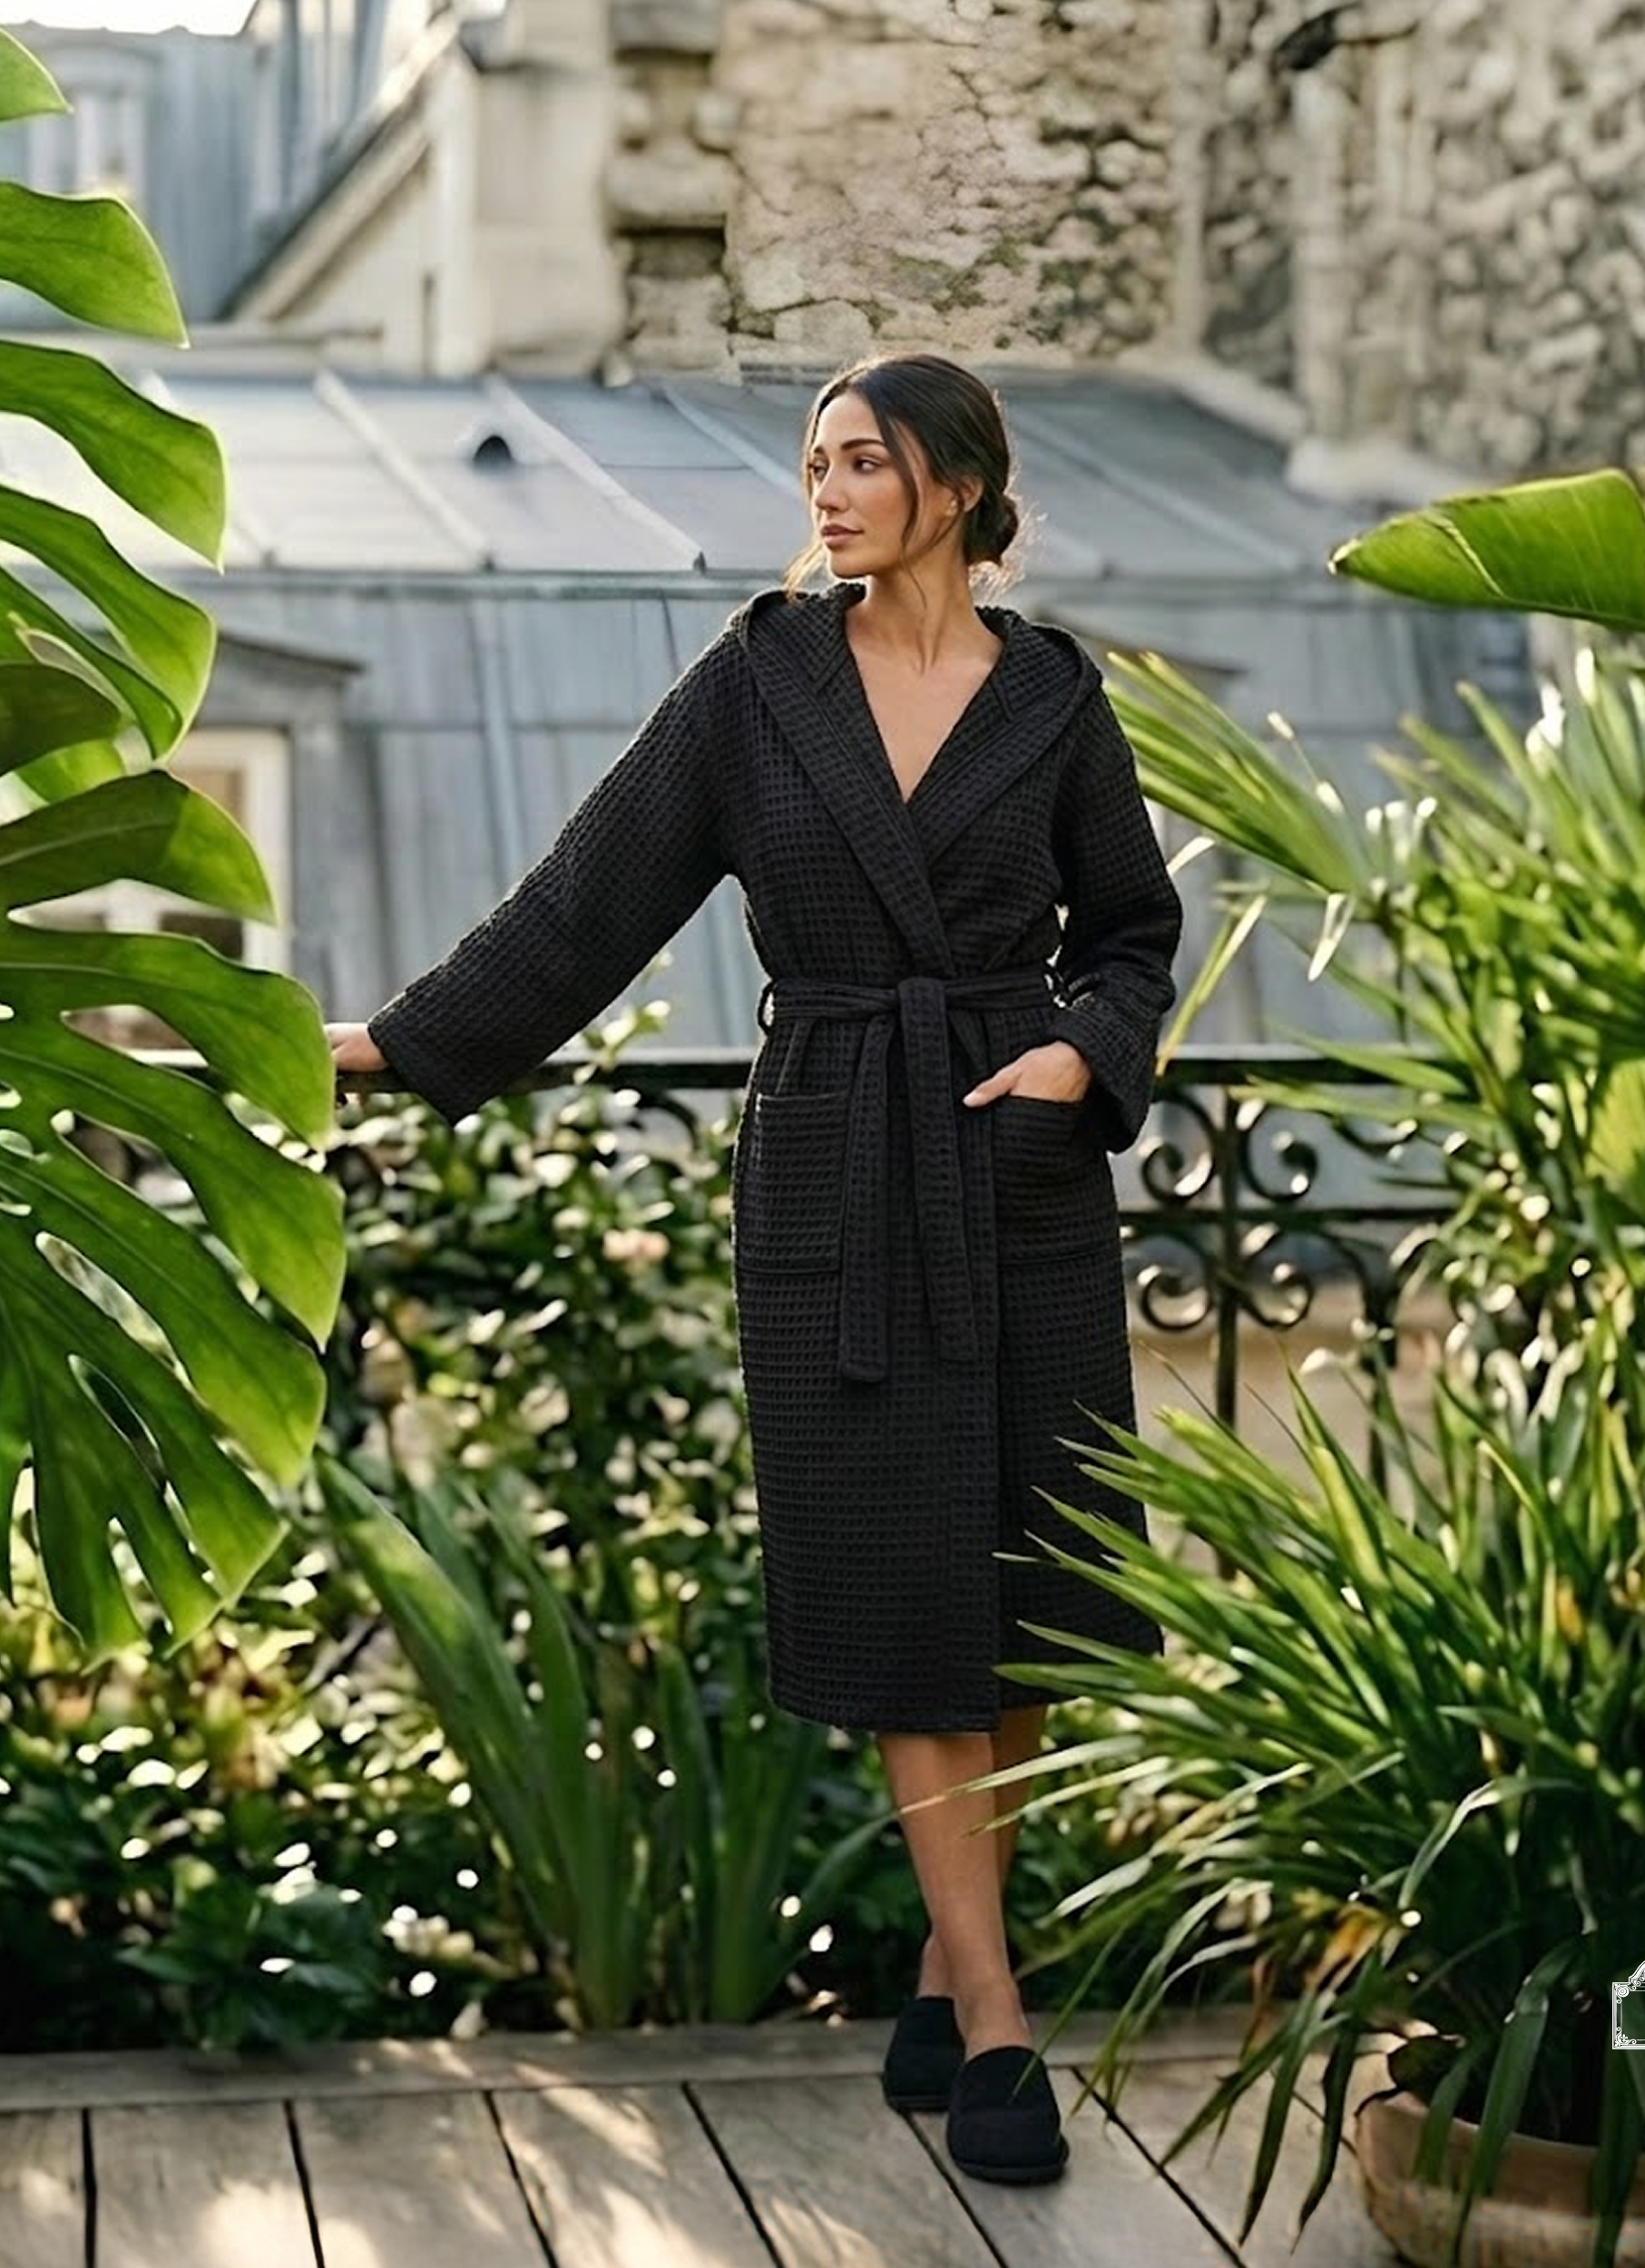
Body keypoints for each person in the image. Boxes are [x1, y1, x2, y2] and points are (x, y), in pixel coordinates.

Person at [327, 352, 1182, 2185]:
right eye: (815, 463)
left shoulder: (1054, 693)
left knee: (1021, 1594)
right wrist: (391, 1044)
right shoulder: (758, 684)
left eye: (863, 461)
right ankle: (1001, 2020)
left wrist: (1081, 1056)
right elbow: (587, 904)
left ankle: (945, 1982)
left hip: (1019, 1175)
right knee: (906, 1599)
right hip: (838, 1170)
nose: (827, 491)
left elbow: (1131, 931)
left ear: (959, 487)